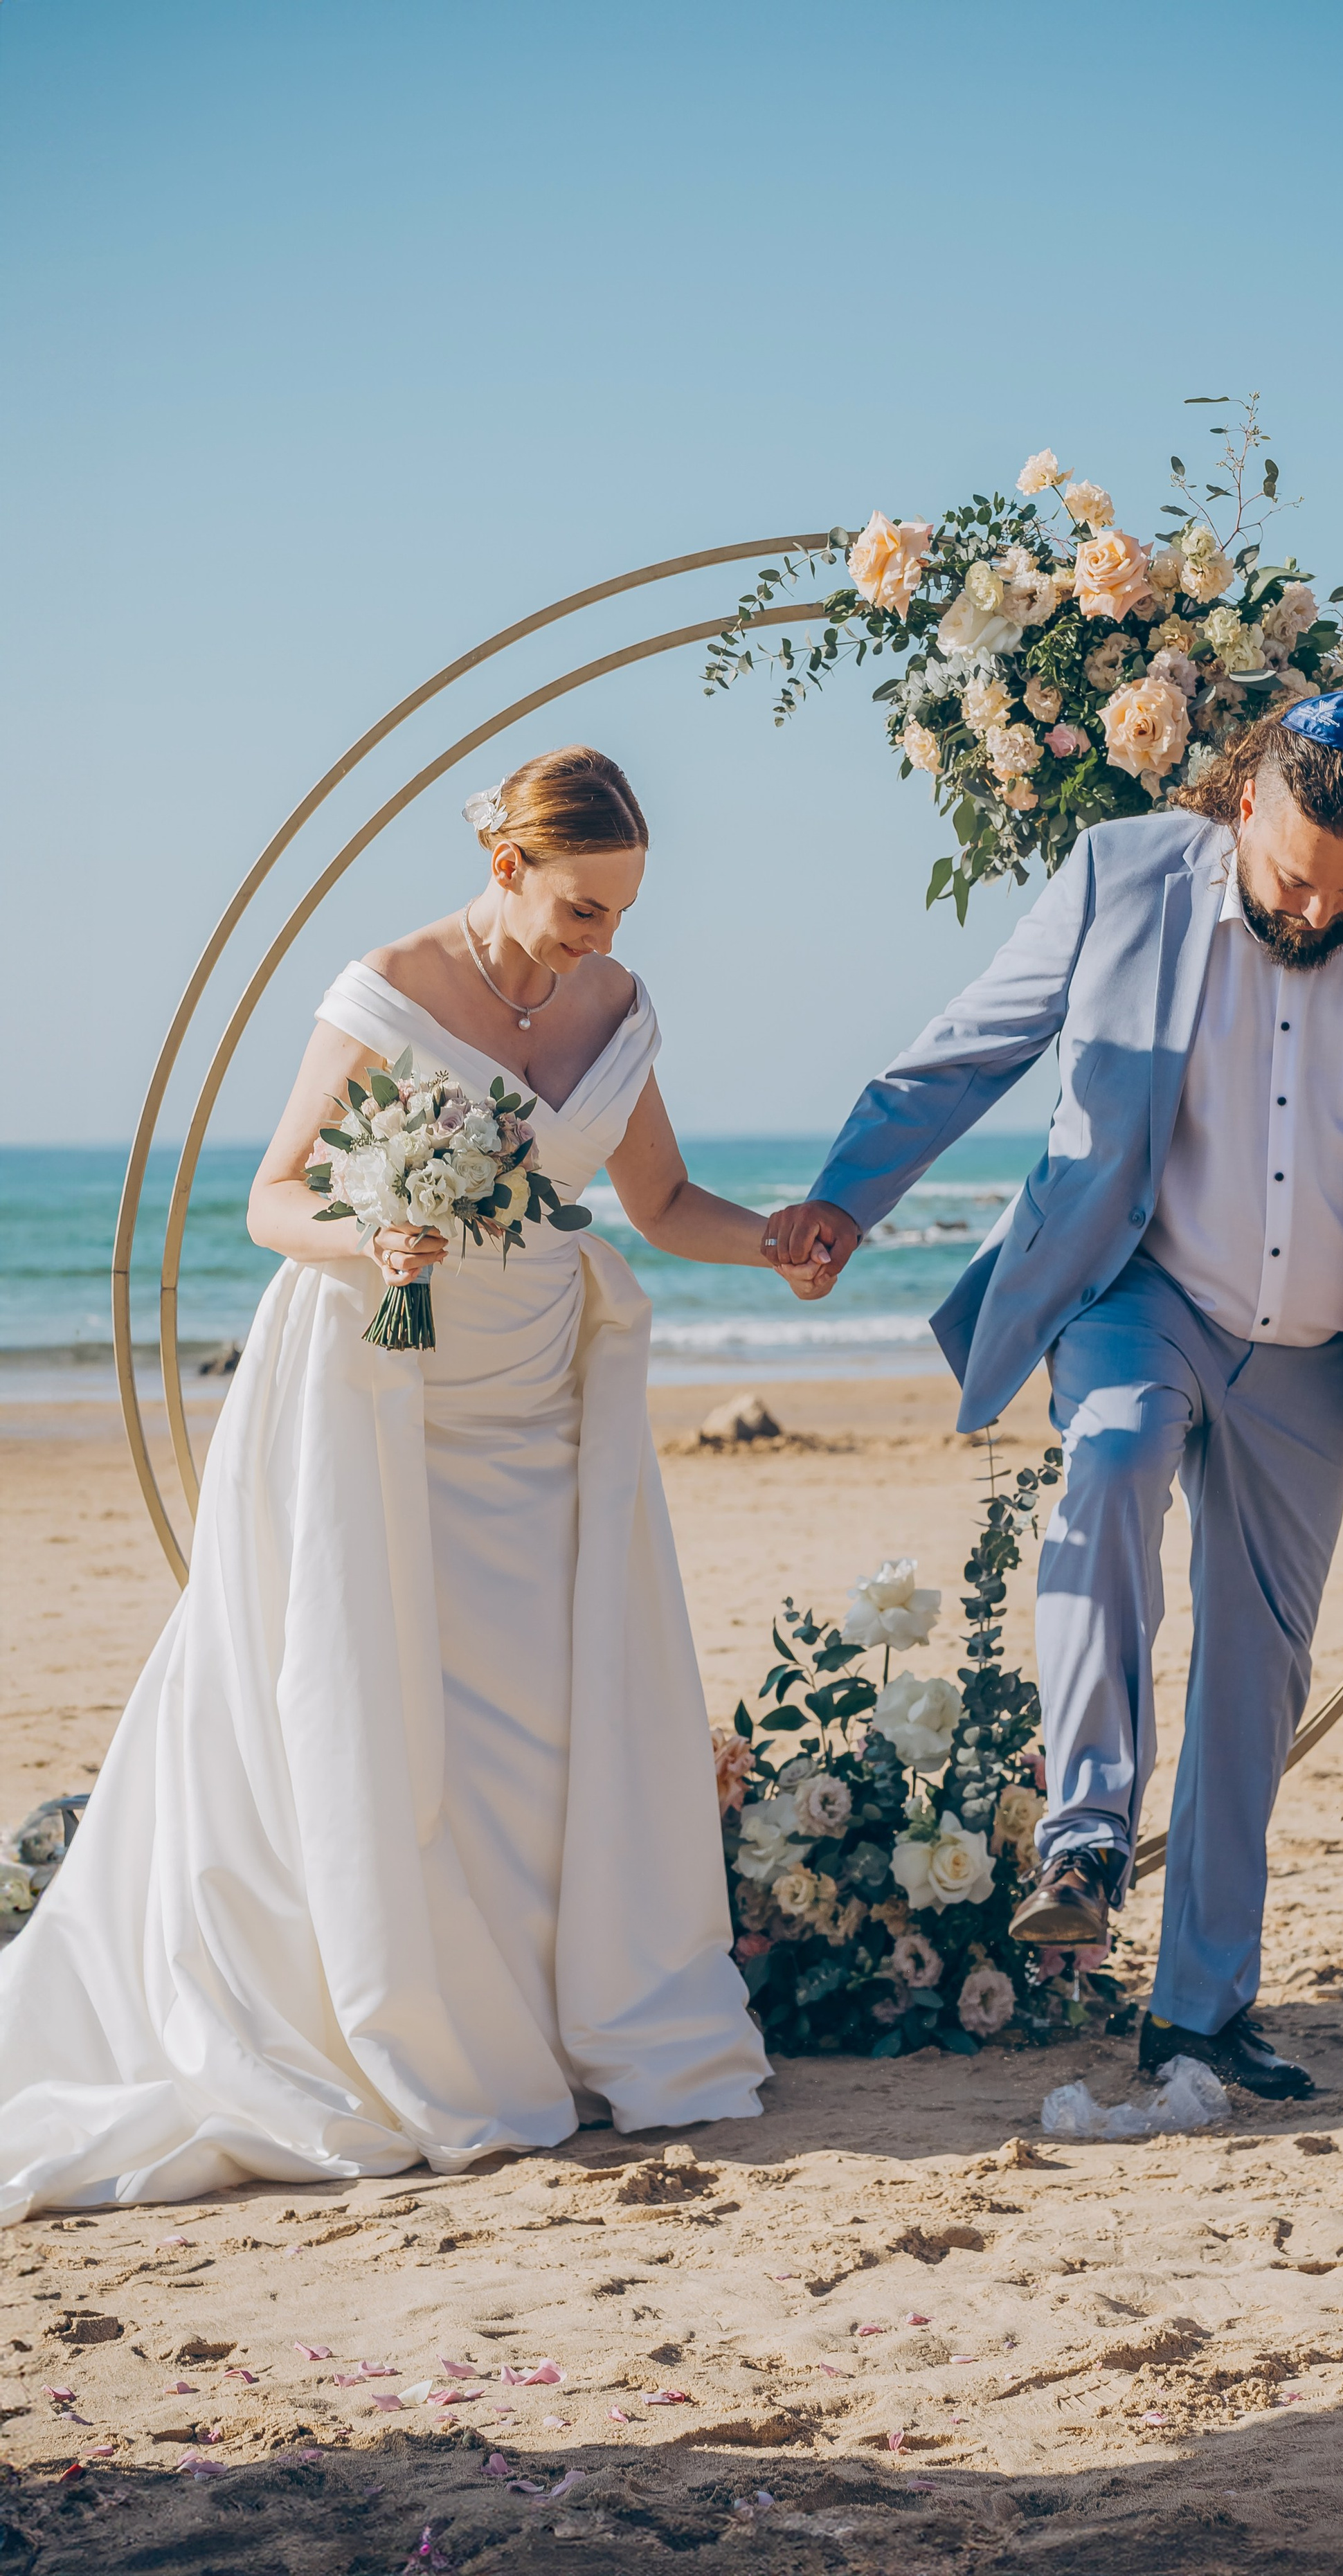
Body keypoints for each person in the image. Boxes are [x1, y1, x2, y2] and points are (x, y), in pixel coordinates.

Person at [0, 745, 811, 2224]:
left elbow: (660, 1201)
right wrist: (371, 1238)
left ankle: (537, 2028)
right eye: (580, 910)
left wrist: (774, 1240)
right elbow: (273, 1196)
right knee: (383, 1708)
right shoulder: (381, 990)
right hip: (378, 1388)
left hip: (541, 1404)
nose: (603, 941)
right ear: (507, 868)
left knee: (540, 1719)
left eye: (621, 911)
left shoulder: (617, 1009)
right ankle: (419, 2031)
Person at [764, 692, 1343, 2101]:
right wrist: (843, 1197)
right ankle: (1085, 1826)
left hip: (1319, 1348)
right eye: (1296, 874)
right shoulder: (1122, 874)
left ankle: (1197, 2010)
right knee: (1108, 1456)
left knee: (1257, 1669)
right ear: (1245, 804)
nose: (1320, 906)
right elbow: (970, 1041)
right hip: (1140, 1287)